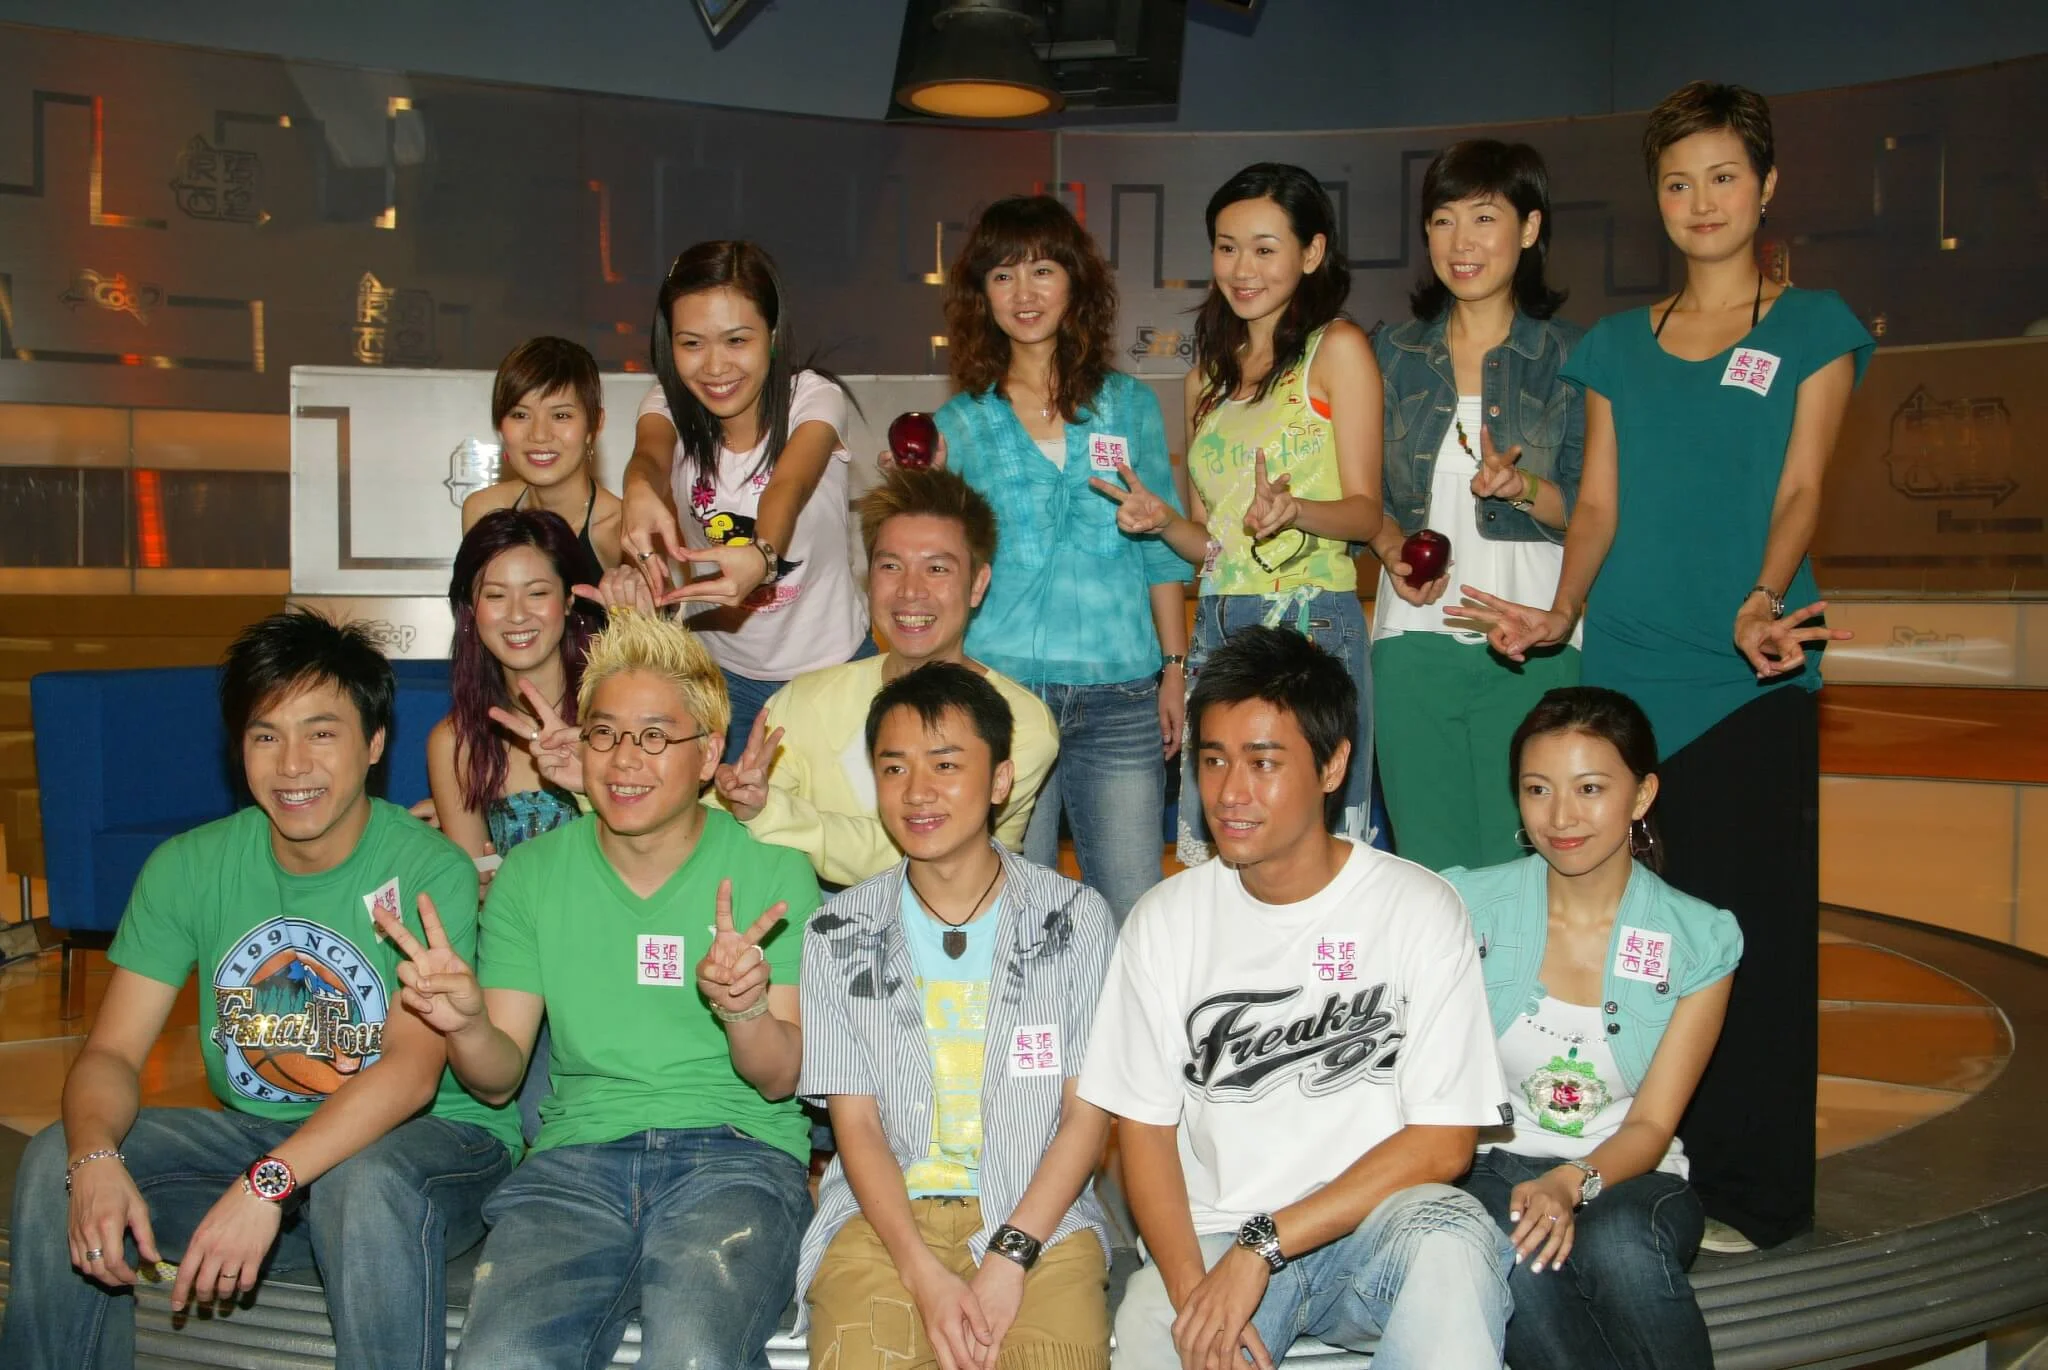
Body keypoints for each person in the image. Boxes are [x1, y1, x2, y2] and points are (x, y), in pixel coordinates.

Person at [1459, 82, 1872, 1251]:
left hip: (1748, 673)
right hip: (1628, 677)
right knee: (1620, 941)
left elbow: (1800, 485)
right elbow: (1596, 504)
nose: (1699, 201)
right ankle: (1633, 1163)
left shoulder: (1813, 327)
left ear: (1765, 186)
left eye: (1722, 177)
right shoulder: (1611, 349)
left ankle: (1755, 1196)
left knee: (1749, 939)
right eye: (1676, 181)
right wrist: (1559, 612)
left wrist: (1760, 595)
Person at [0, 610, 518, 1370]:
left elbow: (410, 1072)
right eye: (265, 735)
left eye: (321, 733)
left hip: (428, 1148)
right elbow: (110, 1053)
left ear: (375, 744)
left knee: (361, 1185)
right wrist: (94, 1160)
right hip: (262, 1139)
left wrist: (267, 1184)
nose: (292, 764)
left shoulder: (427, 868)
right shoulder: (188, 867)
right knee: (59, 1160)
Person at [383, 607, 818, 1369]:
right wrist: (466, 1023)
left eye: (654, 737)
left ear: (708, 752)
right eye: (605, 734)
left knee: (693, 1353)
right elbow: (496, 1080)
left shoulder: (773, 872)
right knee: (500, 1358)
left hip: (737, 1158)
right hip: (575, 1163)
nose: (624, 760)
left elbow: (781, 1078)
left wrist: (745, 1008)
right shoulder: (531, 875)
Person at [1080, 626, 1512, 1370]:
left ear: (1333, 765)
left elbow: (1445, 1142)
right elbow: (1143, 1133)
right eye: (1213, 759)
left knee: (1454, 1246)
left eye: (1263, 763)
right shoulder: (1165, 920)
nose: (1230, 793)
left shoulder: (1419, 908)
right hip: (1217, 1237)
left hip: (1380, 1231)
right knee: (1153, 1325)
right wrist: (1192, 1292)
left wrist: (1267, 1243)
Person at [796, 662, 1116, 1370]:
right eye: (894, 768)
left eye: (945, 765)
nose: (917, 791)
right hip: (882, 1225)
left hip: (1041, 1220)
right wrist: (920, 1271)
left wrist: (1009, 1255)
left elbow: (1085, 1117)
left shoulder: (1073, 919)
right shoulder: (838, 932)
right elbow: (857, 1125)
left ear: (1000, 780)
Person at [1096, 164, 1384, 864]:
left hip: (1310, 619)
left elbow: (1366, 514)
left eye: (1264, 248)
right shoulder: (1206, 377)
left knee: (1313, 846)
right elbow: (1212, 546)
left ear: (1311, 253)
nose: (1241, 268)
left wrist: (1295, 509)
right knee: (1228, 840)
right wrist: (1162, 520)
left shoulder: (1336, 350)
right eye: (1227, 248)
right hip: (1220, 625)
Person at [1447, 687, 1738, 1370]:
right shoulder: (1463, 907)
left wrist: (1571, 1181)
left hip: (1630, 1171)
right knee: (1520, 1257)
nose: (1561, 817)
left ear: (1641, 796)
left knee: (1620, 1248)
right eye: (1538, 789)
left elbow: (1652, 1124)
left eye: (1590, 788)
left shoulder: (1698, 938)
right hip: (1491, 1166)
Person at [928, 193, 1190, 923]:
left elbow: (1162, 552)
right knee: (1018, 910)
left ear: (1076, 281)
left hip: (1122, 693)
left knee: (1132, 905)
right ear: (981, 294)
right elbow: (939, 565)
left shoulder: (1130, 405)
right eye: (1003, 274)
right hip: (1002, 692)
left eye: (1043, 269)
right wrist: (915, 489)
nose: (1024, 292)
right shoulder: (959, 423)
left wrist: (1175, 668)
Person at [1368, 141, 1585, 872]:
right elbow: (1366, 501)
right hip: (1413, 640)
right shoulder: (1387, 355)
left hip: (1535, 641)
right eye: (1443, 220)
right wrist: (1391, 550)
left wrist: (1524, 489)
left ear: (1529, 228)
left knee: (1529, 868)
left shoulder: (1573, 357)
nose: (1461, 242)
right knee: (1431, 872)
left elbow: (1593, 508)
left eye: (1485, 218)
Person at [714, 468, 1059, 889]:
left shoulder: (1022, 722)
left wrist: (770, 813)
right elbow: (722, 823)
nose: (910, 591)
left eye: (937, 569)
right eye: (891, 566)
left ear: (977, 584)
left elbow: (927, 855)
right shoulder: (806, 701)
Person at [620, 239, 873, 765]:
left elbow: (789, 485)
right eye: (692, 344)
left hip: (832, 668)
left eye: (737, 340)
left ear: (772, 337)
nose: (715, 366)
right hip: (718, 678)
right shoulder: (668, 403)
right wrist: (638, 488)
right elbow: (648, 456)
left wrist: (762, 555)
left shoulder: (813, 397)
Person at [428, 506, 604, 1141]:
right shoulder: (456, 743)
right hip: (524, 969)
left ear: (570, 602)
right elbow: (471, 877)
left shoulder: (618, 712)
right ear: (470, 611)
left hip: (620, 952)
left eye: (537, 592)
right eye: (495, 595)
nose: (517, 615)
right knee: (529, 1117)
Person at [463, 335, 625, 572]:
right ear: (499, 426)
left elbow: (667, 596)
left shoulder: (622, 529)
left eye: (561, 416)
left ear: (594, 425)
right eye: (520, 415)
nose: (539, 435)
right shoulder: (484, 512)